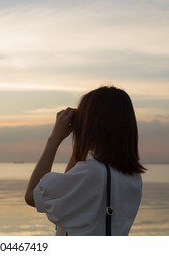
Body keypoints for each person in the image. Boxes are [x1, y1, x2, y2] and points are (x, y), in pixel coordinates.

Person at [24, 86, 146, 236]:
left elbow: (32, 196)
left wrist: (54, 139)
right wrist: (81, 141)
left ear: (92, 123)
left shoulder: (92, 172)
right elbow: (69, 181)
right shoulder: (132, 176)